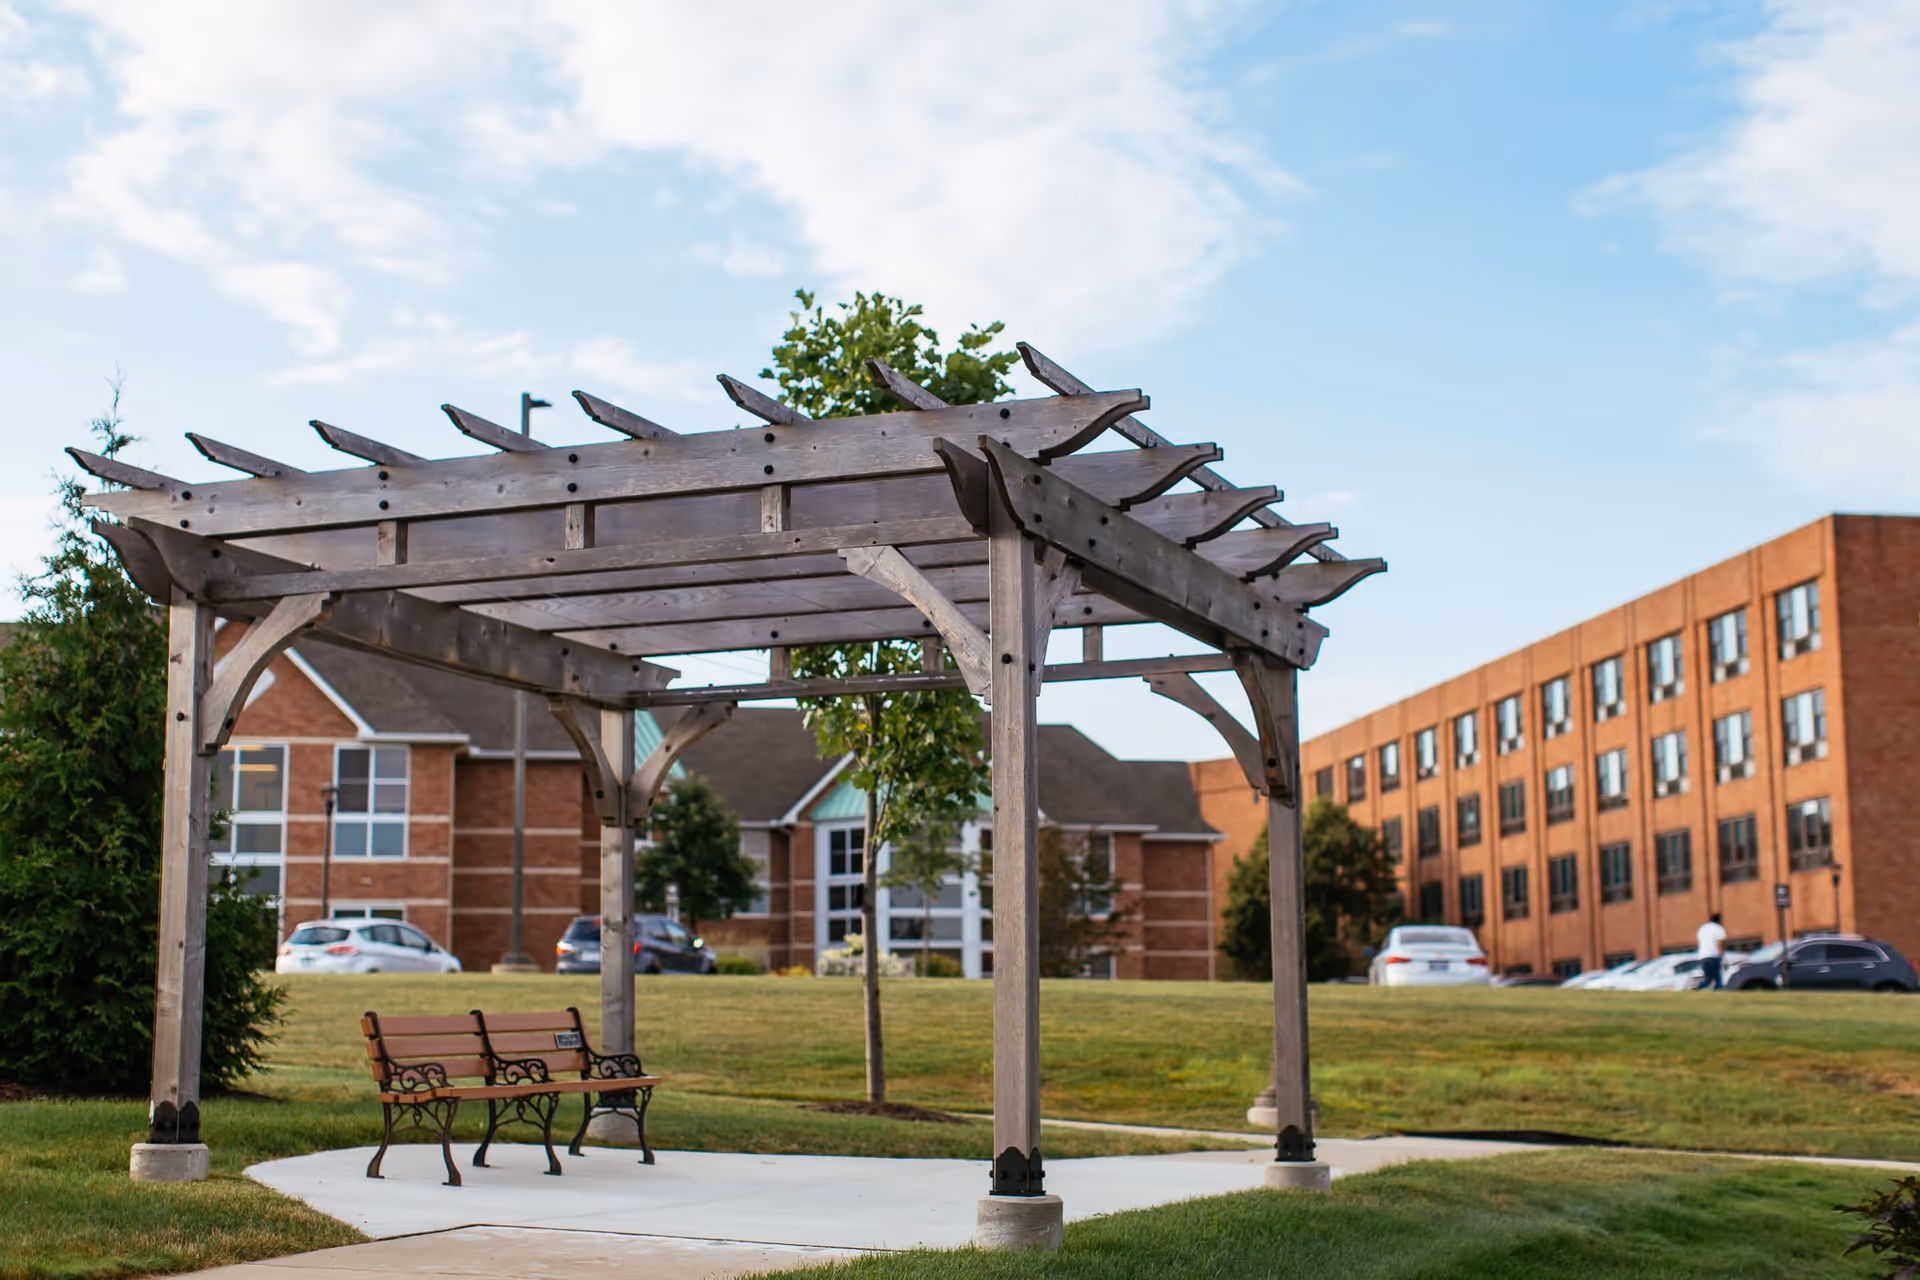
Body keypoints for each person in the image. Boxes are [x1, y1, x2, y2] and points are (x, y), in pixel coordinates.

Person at [1696, 912, 1728, 990]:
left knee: (1708, 978)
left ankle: (1697, 988)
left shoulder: (1702, 928)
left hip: (1703, 956)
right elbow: (1720, 942)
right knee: (1716, 978)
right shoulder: (1718, 928)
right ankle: (1696, 989)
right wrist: (1722, 956)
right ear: (1719, 920)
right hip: (1713, 955)